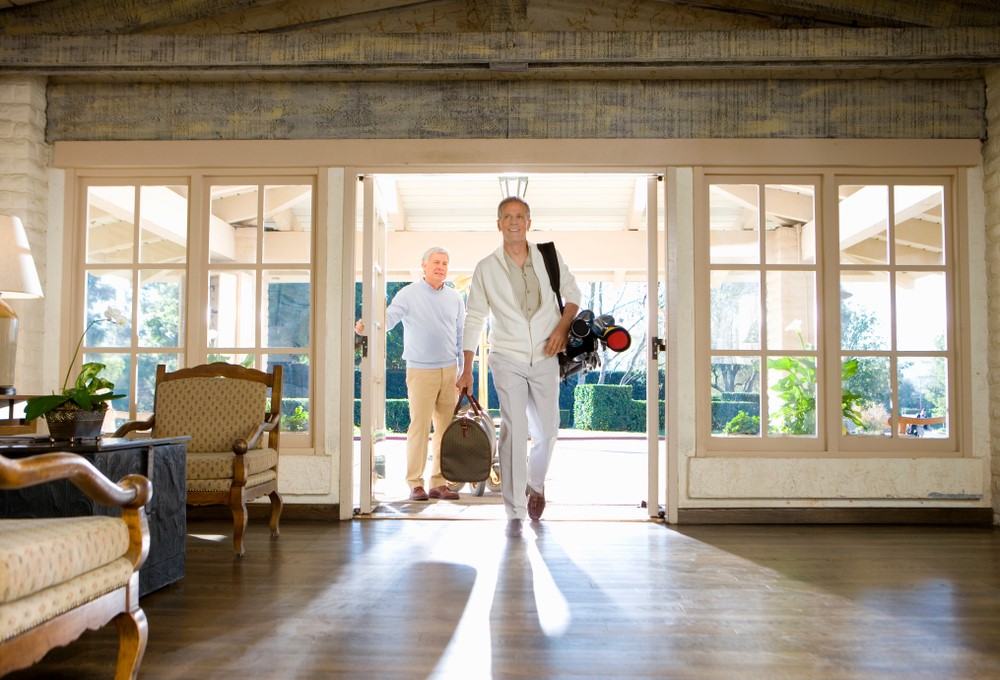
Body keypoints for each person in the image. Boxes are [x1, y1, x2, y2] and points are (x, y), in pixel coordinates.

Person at [456, 196, 581, 537]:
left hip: (545, 355)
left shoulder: (548, 257)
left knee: (549, 430)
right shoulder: (486, 267)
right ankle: (514, 510)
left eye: (520, 216)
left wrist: (561, 328)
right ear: (499, 224)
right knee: (513, 428)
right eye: (507, 216)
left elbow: (573, 296)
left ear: (529, 222)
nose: (514, 221)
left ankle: (535, 486)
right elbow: (475, 317)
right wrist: (466, 368)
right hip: (507, 357)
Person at [356, 246, 465, 501]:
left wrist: (461, 372)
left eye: (445, 263)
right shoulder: (408, 294)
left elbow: (460, 336)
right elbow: (389, 319)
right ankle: (415, 483)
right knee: (419, 427)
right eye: (436, 262)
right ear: (424, 266)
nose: (441, 267)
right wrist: (367, 327)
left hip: (449, 371)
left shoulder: (455, 298)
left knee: (445, 430)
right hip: (420, 370)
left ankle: (438, 482)